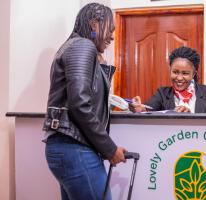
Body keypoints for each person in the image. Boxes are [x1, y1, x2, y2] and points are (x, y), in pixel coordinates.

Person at [42, 3, 126, 200]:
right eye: (110, 29)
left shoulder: (74, 46)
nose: (112, 36)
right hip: (75, 149)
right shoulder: (82, 46)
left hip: (66, 147)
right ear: (94, 24)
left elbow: (89, 93)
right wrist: (110, 149)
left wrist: (101, 64)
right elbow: (80, 104)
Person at [132, 46, 206, 113]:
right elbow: (148, 109)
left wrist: (191, 117)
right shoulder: (162, 93)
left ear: (193, 74)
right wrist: (140, 108)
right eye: (175, 72)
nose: (179, 78)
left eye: (185, 73)